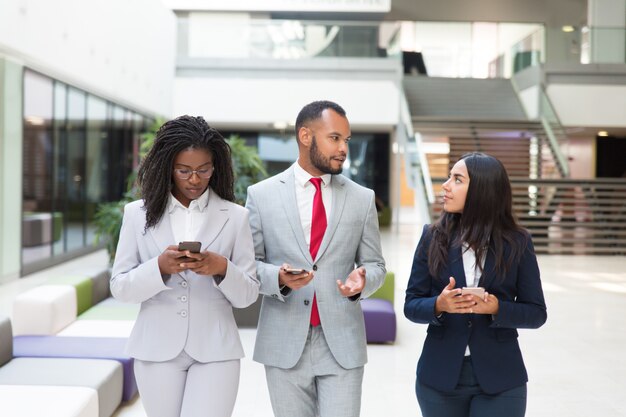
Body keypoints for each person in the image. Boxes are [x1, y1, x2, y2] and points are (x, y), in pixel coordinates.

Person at [110, 115, 259, 417]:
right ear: (168, 168)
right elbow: (120, 287)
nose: (195, 179)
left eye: (204, 170)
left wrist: (221, 267)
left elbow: (248, 295)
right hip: (155, 348)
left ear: (215, 168)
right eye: (184, 170)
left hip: (216, 350)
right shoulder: (136, 215)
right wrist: (160, 267)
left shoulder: (236, 216)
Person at [246, 100, 386, 417]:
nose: (343, 149)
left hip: (341, 343)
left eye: (346, 140)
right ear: (306, 136)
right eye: (334, 138)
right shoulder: (261, 195)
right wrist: (278, 278)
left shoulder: (362, 198)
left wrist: (363, 280)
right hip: (283, 341)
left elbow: (376, 265)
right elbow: (248, 266)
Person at [404, 152, 547, 417]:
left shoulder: (518, 241)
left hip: (501, 378)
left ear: (483, 190)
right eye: (449, 177)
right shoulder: (432, 237)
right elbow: (411, 305)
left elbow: (537, 313)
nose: (446, 185)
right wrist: (439, 304)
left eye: (457, 179)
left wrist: (496, 308)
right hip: (439, 378)